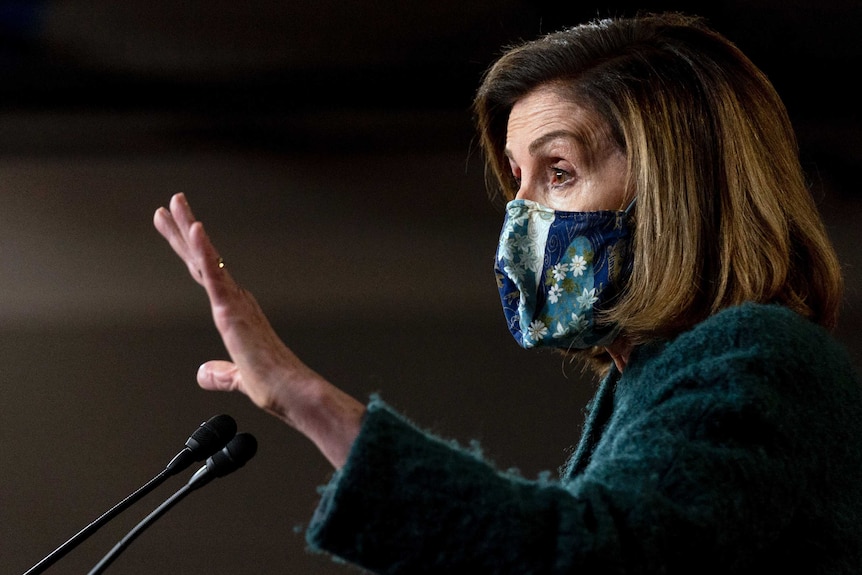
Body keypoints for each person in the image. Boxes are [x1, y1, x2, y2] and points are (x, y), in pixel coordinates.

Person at [153, 12, 862, 574]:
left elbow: (582, 556)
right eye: (516, 181)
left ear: (680, 185)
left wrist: (309, 399)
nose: (521, 217)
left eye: (558, 170)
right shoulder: (651, 377)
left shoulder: (761, 357)